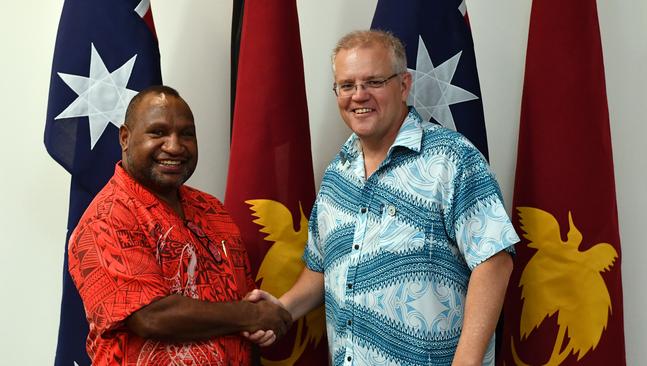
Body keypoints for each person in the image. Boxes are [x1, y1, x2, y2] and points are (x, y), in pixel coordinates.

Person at [246, 30, 520, 365]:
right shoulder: (336, 174)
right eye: (347, 85)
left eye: (373, 82)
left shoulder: (452, 160)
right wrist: (283, 309)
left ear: (404, 85)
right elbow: (323, 267)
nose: (358, 96)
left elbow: (494, 260)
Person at [68, 85, 291, 365]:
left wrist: (258, 325)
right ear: (125, 137)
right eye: (158, 132)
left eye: (186, 134)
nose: (174, 146)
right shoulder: (107, 218)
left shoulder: (213, 210)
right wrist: (253, 315)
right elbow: (150, 316)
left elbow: (242, 304)